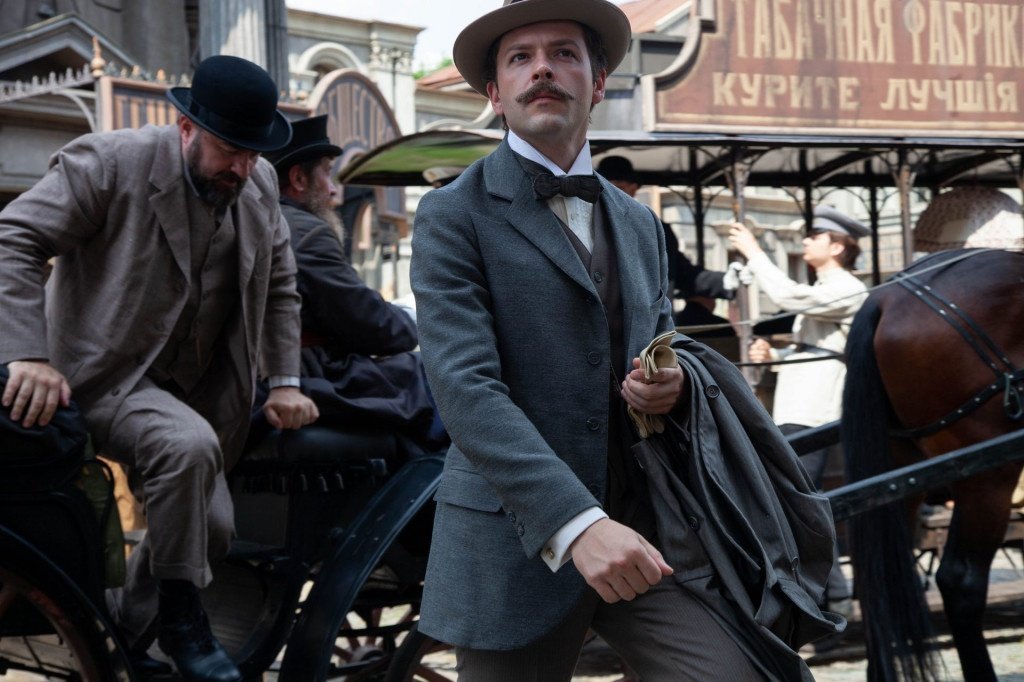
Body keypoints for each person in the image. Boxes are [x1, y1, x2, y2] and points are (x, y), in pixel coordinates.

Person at [409, 1, 831, 678]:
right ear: (494, 92)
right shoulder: (451, 214)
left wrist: (671, 385)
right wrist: (578, 523)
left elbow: (662, 344)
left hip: (649, 531)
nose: (542, 69)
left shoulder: (638, 222)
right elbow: (466, 391)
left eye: (564, 53)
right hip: (514, 541)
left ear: (598, 82)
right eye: (520, 58)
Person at [0, 55, 319, 681]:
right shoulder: (109, 162)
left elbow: (282, 288)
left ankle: (116, 635)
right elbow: (14, 239)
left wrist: (285, 382)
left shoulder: (256, 187)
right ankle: (181, 621)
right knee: (186, 445)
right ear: (186, 128)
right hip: (100, 375)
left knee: (214, 529)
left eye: (253, 153)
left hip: (199, 391)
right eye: (230, 150)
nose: (242, 168)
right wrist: (28, 355)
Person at [266, 115, 446, 455]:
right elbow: (369, 322)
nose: (334, 190)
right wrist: (416, 322)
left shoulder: (264, 220)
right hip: (313, 374)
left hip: (276, 374)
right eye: (327, 174)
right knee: (437, 376)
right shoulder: (306, 231)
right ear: (298, 178)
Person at [728, 206, 869, 614]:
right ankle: (831, 595)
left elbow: (787, 296)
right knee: (800, 503)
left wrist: (755, 252)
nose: (806, 241)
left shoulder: (848, 287)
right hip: (797, 406)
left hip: (814, 408)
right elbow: (812, 347)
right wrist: (776, 354)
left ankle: (828, 597)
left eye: (815, 236)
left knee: (799, 504)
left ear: (837, 247)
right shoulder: (825, 286)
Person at [596, 154, 735, 302]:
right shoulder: (588, 226)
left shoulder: (655, 229)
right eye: (604, 188)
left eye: (619, 188)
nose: (612, 195)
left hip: (653, 315)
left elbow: (682, 273)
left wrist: (727, 281)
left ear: (633, 189)